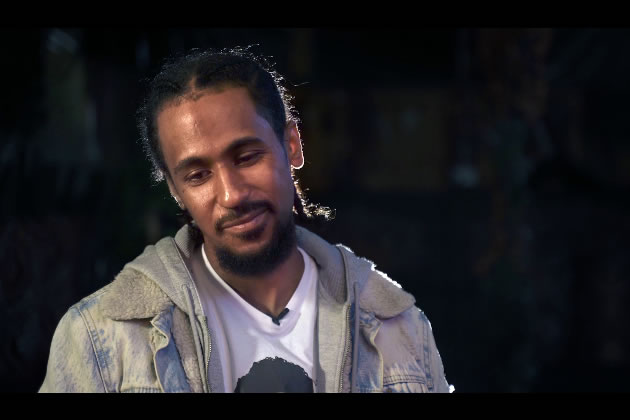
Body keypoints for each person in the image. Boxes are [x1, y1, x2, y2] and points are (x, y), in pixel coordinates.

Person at [39, 47, 452, 393]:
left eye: (247, 157)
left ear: (292, 145)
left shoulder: (398, 329)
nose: (232, 195)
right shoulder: (99, 338)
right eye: (197, 175)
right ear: (175, 189)